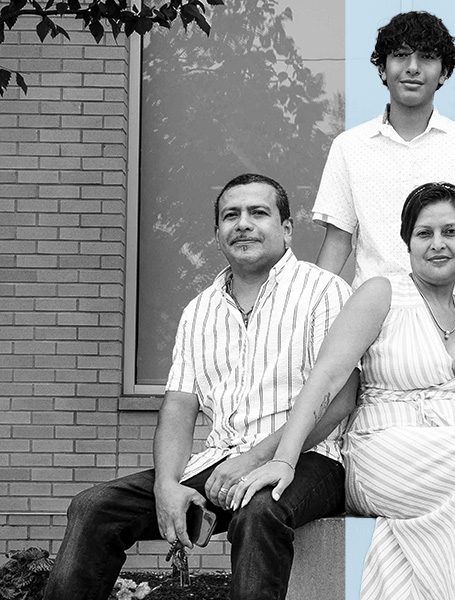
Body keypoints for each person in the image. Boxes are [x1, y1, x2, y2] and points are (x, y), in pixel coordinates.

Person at [236, 183, 455, 599]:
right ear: (407, 242)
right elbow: (326, 378)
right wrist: (285, 461)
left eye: (451, 232)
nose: (438, 244)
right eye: (424, 233)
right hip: (383, 453)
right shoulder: (381, 294)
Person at [43, 174, 357, 600]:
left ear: (286, 229)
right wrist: (167, 484)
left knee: (258, 512)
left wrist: (252, 460)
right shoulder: (199, 310)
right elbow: (178, 406)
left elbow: (339, 400)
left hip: (308, 459)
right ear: (217, 234)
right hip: (218, 461)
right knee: (94, 507)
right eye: (231, 216)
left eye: (258, 213)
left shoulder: (324, 291)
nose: (243, 224)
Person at [312, 10, 455, 334]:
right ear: (382, 67)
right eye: (401, 55)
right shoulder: (349, 146)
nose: (413, 67)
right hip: (371, 323)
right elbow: (338, 241)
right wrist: (312, 311)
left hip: (451, 322)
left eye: (427, 57)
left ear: (444, 71)